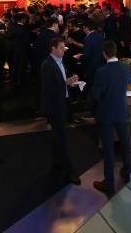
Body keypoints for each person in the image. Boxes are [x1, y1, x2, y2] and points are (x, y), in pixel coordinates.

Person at [91, 40, 131, 194]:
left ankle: (109, 183)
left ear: (104, 54)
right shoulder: (125, 67)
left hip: (106, 114)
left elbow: (96, 95)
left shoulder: (101, 72)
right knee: (126, 143)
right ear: (115, 51)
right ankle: (127, 172)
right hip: (122, 111)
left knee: (108, 150)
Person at [40, 37, 81, 185]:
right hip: (55, 107)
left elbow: (60, 82)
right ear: (53, 48)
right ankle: (69, 170)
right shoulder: (47, 65)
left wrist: (70, 82)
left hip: (62, 103)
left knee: (58, 137)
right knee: (61, 138)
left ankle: (56, 163)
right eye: (61, 48)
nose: (64, 50)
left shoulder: (60, 62)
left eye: (64, 48)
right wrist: (66, 83)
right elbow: (48, 89)